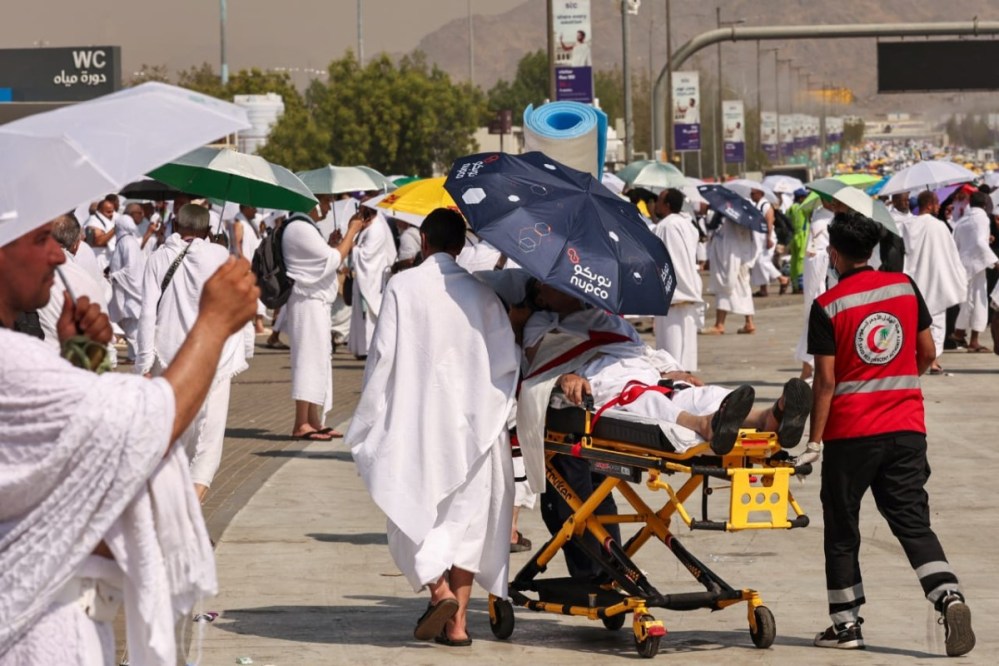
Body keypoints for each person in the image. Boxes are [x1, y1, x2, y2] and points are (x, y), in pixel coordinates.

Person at [0, 215, 259, 664]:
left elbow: (77, 446)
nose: (58, 254)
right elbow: (146, 424)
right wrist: (215, 323)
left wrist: (83, 359)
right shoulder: (11, 360)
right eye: (40, 239)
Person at [805, 211, 975, 656]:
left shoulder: (828, 306)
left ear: (836, 254)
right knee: (912, 522)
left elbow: (825, 381)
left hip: (851, 435)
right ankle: (948, 596)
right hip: (906, 430)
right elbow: (927, 352)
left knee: (843, 527)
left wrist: (813, 440)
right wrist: (900, 382)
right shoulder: (904, 287)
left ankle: (846, 626)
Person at [348, 208, 519, 647]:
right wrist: (490, 415)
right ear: (461, 246)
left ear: (422, 241)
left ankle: (438, 592)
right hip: (473, 428)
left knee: (412, 510)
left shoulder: (403, 286)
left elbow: (381, 356)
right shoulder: (483, 295)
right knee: (466, 526)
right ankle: (458, 625)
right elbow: (506, 365)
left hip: (418, 423)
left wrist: (370, 417)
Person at [135, 203, 248, 503]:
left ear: (174, 225)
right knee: (208, 440)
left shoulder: (159, 257)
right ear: (209, 231)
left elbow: (147, 313)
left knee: (171, 437)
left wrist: (143, 364)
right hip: (214, 358)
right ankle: (189, 517)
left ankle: (174, 514)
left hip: (168, 356)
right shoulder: (221, 257)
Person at [284, 195, 365, 440]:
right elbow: (332, 260)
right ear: (312, 201)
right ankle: (301, 423)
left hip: (315, 304)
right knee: (307, 360)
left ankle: (313, 419)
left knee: (318, 359)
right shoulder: (299, 226)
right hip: (307, 303)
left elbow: (323, 259)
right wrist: (352, 231)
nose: (329, 208)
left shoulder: (306, 227)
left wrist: (333, 244)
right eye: (326, 202)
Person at [901, 191, 967, 374]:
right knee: (936, 320)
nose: (939, 207)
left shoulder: (907, 225)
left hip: (914, 278)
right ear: (929, 204)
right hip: (936, 278)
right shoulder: (939, 226)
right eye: (937, 203)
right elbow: (951, 253)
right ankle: (933, 360)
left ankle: (916, 358)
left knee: (914, 321)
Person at [651, 188, 703, 371]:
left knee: (670, 354)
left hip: (675, 294)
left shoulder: (666, 226)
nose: (654, 204)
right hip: (688, 290)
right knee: (685, 349)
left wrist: (669, 291)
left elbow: (668, 259)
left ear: (667, 205)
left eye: (658, 200)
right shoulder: (687, 224)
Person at [347, 207, 398, 359]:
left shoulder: (377, 229)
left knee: (369, 313)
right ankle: (362, 347)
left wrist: (353, 248)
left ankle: (368, 346)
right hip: (364, 276)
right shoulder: (369, 228)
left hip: (372, 277)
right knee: (362, 313)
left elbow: (367, 255)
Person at [951, 192, 999, 353]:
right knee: (978, 302)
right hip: (977, 266)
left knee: (967, 301)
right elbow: (979, 242)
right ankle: (973, 340)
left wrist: (987, 239)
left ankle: (959, 332)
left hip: (963, 265)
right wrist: (995, 261)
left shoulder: (962, 220)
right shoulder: (983, 218)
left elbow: (958, 242)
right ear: (985, 204)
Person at [704, 211, 757, 335]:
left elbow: (729, 242)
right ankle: (749, 322)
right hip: (741, 258)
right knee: (744, 289)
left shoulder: (733, 222)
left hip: (731, 261)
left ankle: (719, 324)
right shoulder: (746, 218)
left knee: (725, 289)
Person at [107, 214, 147, 364]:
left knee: (131, 326)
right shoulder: (126, 241)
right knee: (128, 324)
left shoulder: (127, 242)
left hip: (129, 291)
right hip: (124, 289)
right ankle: (134, 356)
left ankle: (137, 357)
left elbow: (131, 270)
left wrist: (114, 276)